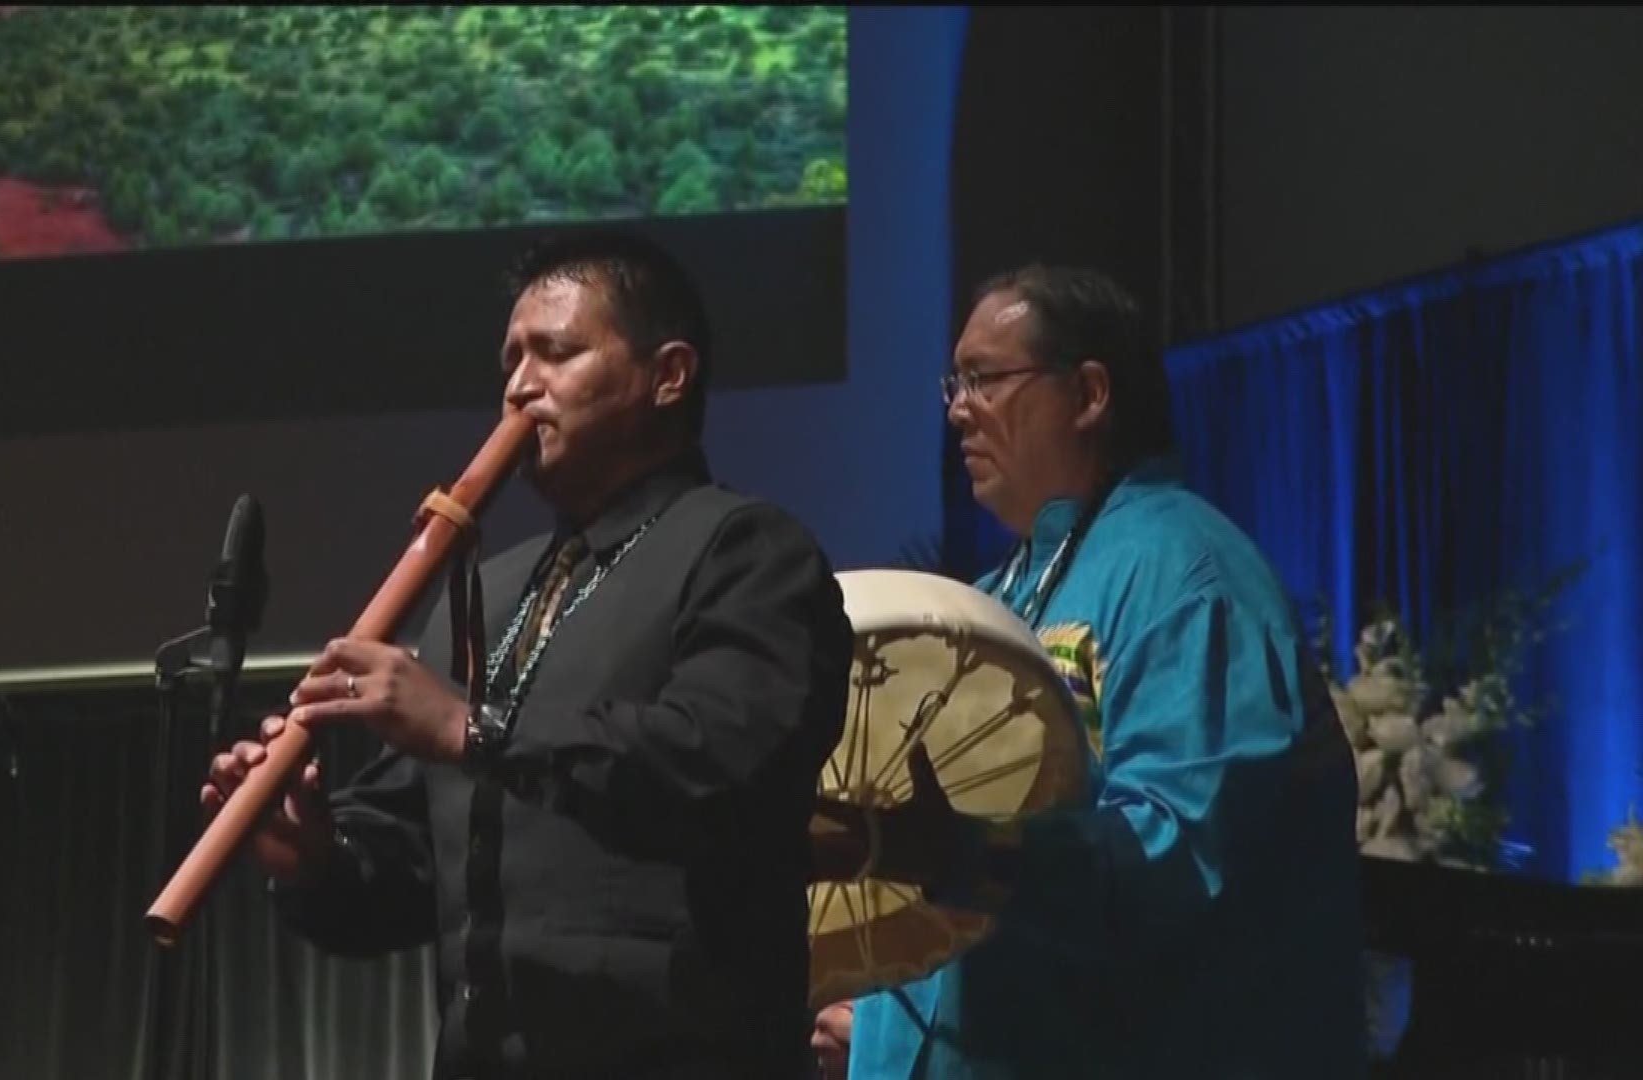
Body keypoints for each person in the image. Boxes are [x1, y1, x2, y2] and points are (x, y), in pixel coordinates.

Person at [203, 228, 854, 1079]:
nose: (519, 388)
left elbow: (720, 767)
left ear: (668, 376)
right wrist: (318, 852)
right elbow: (420, 865)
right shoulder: (490, 592)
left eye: (555, 354)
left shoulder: (748, 551)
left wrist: (474, 729)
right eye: (510, 361)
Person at [808, 265, 1366, 1078]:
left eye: (984, 378)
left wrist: (970, 852)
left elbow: (1176, 859)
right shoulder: (1005, 591)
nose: (959, 409)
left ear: (1091, 393)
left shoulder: (1186, 574)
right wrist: (889, 1035)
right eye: (952, 384)